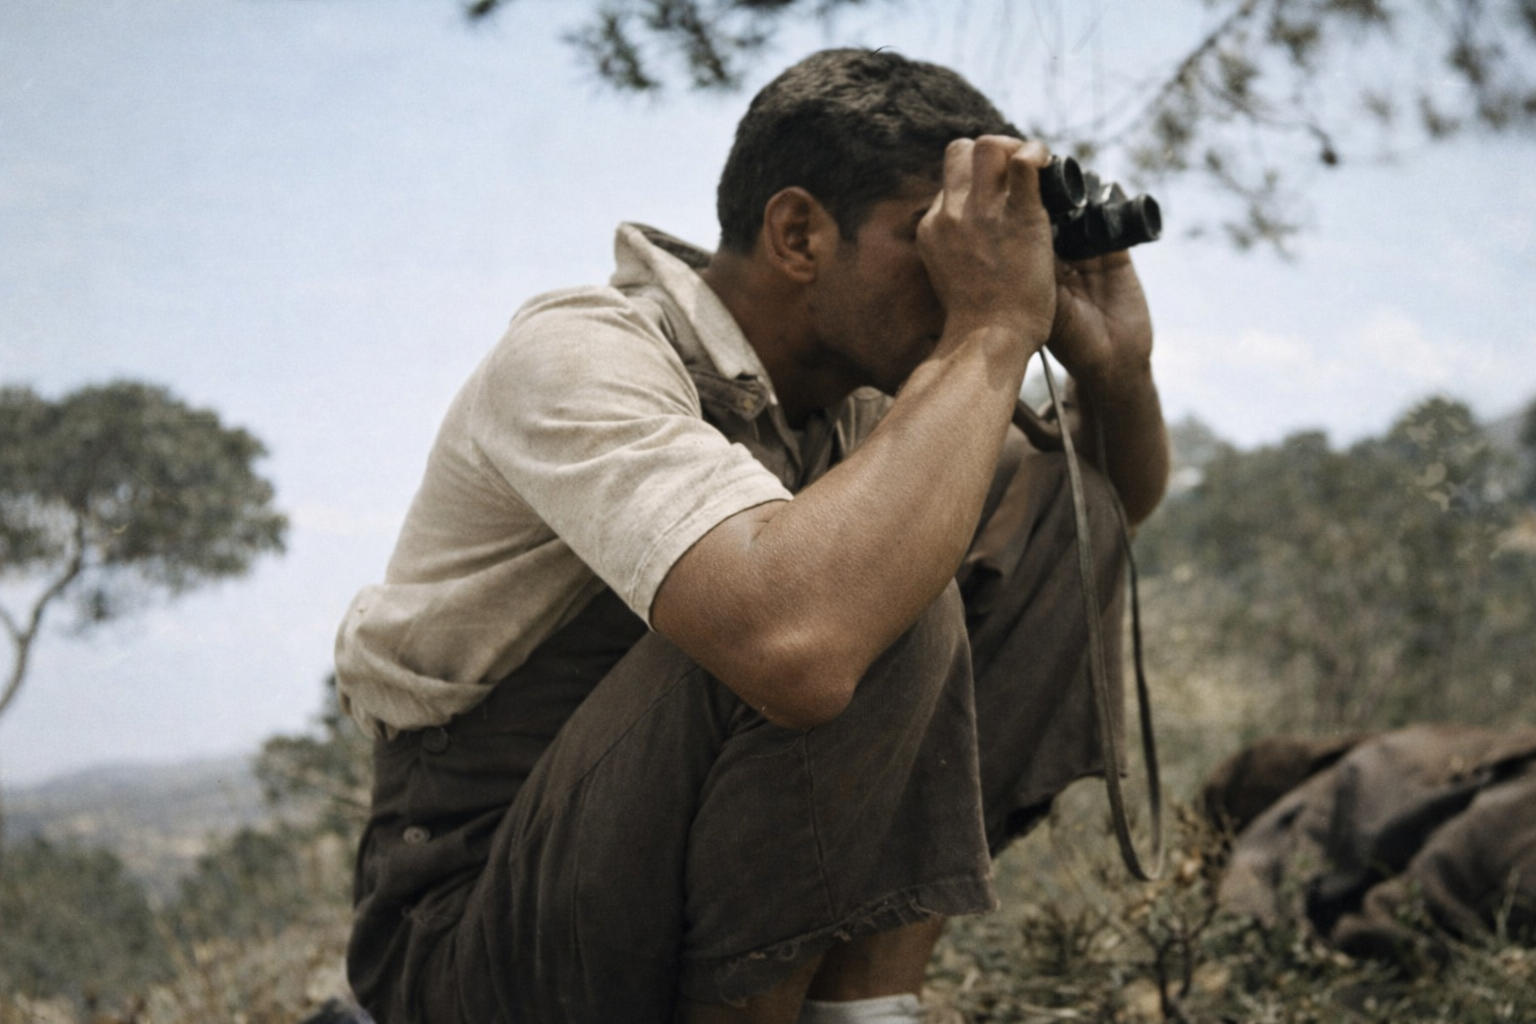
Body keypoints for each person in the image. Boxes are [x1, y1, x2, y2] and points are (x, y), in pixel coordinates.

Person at [333, 47, 1169, 1024]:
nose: (963, 270)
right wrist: (988, 327)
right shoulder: (579, 352)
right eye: (931, 237)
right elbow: (798, 643)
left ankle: (865, 1008)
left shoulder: (866, 400)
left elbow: (1100, 504)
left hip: (659, 889)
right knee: (862, 594)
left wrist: (1115, 372)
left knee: (1057, 523)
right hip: (477, 945)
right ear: (800, 232)